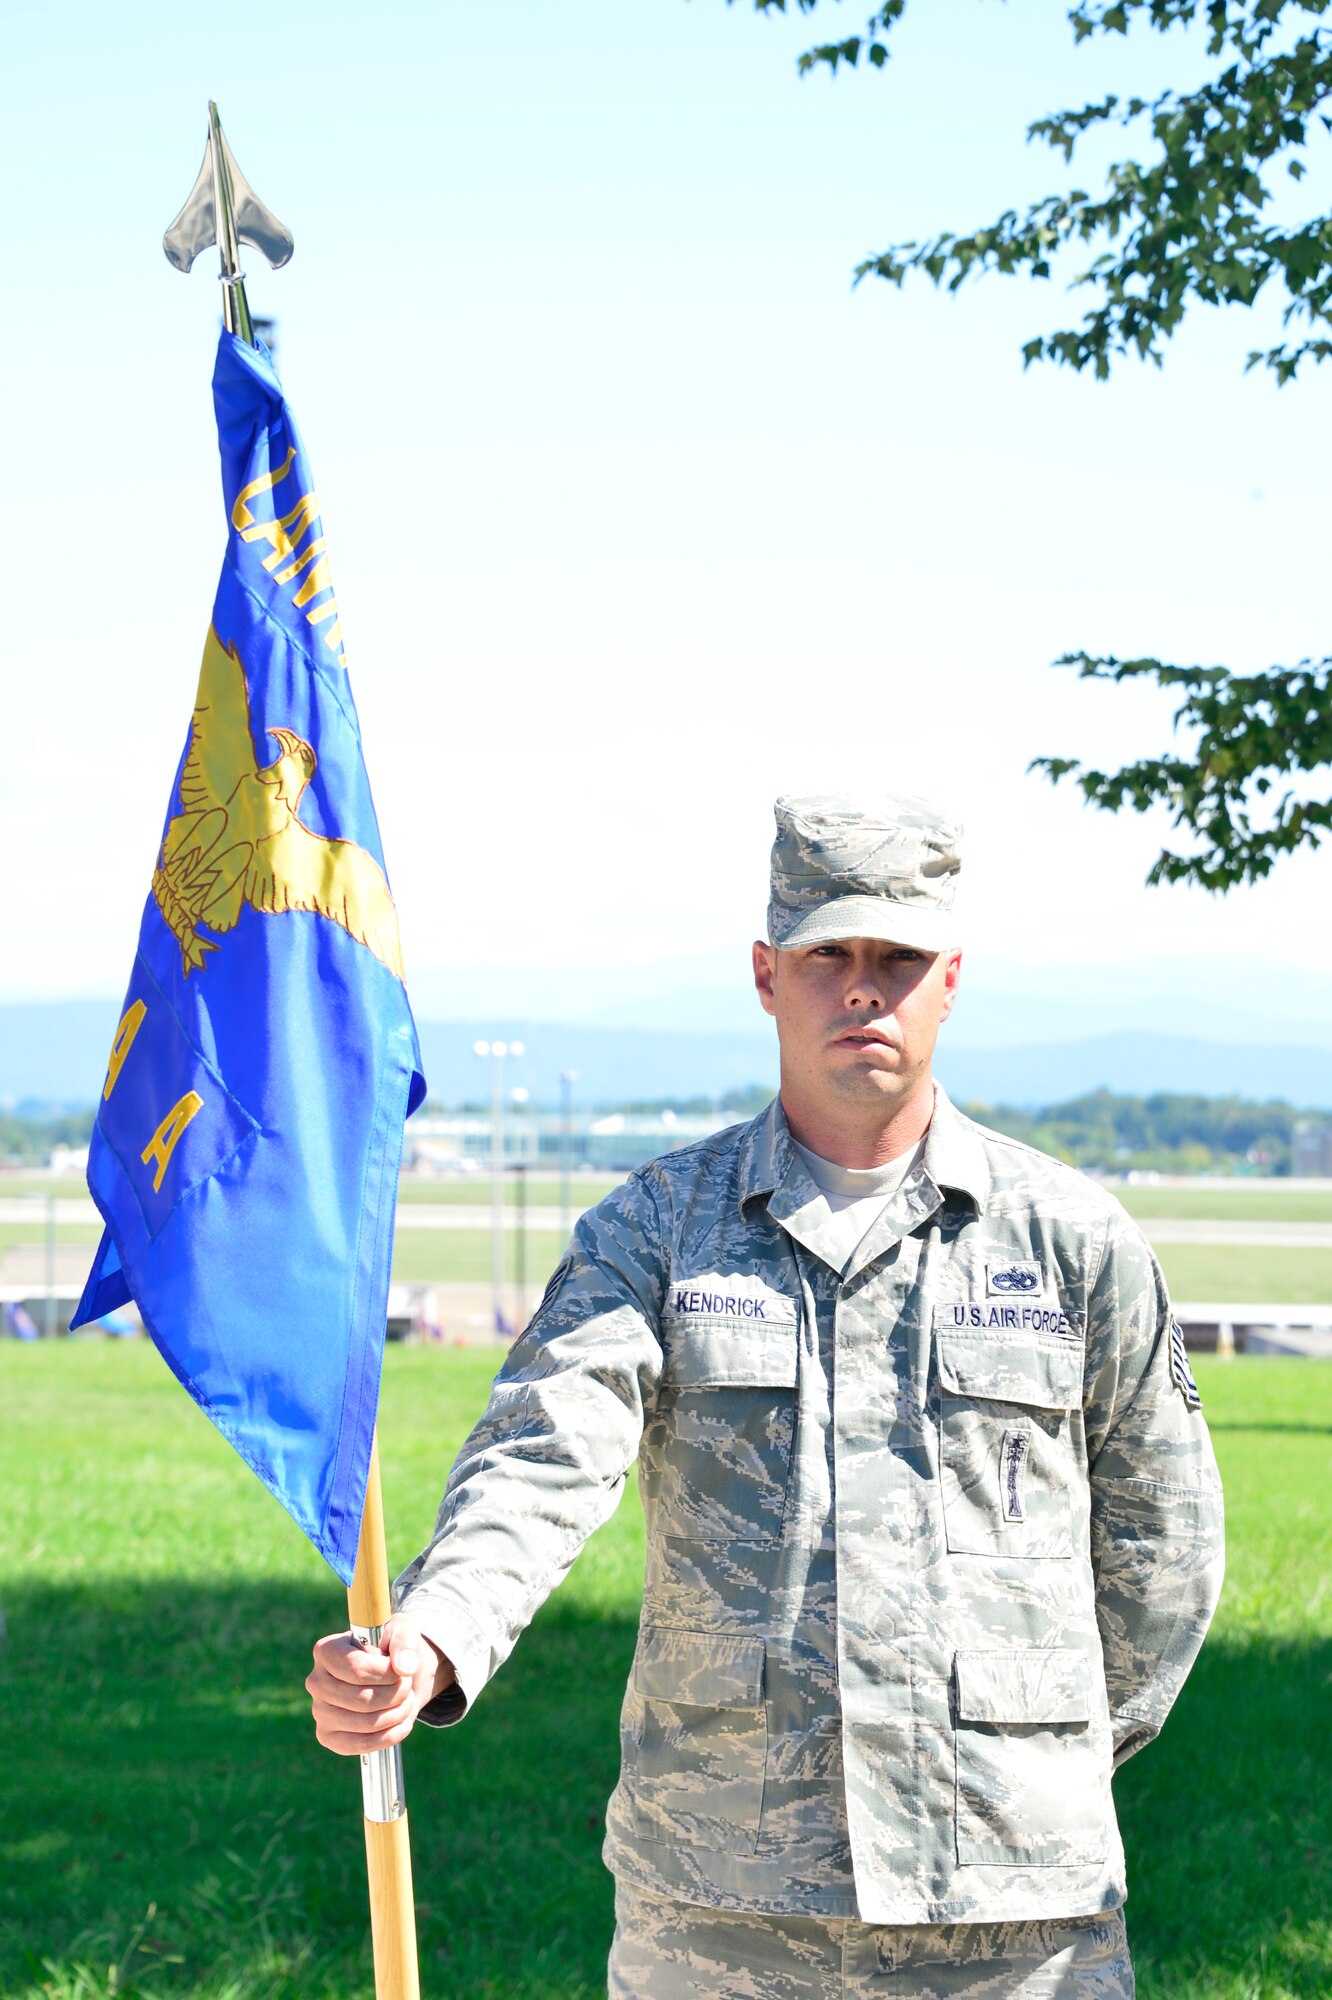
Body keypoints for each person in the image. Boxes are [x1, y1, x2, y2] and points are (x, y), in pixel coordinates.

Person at [306, 793, 1224, 1998]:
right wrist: (431, 1633)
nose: (861, 987)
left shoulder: (1072, 1239)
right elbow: (545, 1450)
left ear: (950, 977)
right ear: (765, 974)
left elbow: (1165, 1545)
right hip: (722, 1912)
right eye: (826, 954)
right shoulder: (662, 1229)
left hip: (1014, 1920)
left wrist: (1030, 1747)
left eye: (896, 957)